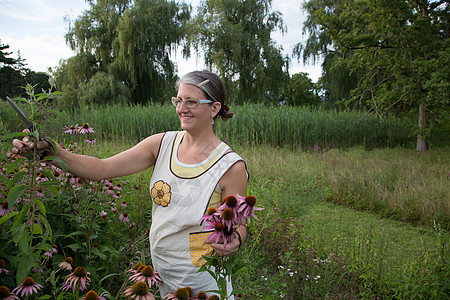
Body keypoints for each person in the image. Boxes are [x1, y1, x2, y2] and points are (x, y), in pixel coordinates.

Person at [11, 70, 248, 298]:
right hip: (161, 271)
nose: (181, 109)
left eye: (191, 102)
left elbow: (239, 225)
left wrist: (235, 239)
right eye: (178, 100)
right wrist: (52, 152)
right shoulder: (161, 144)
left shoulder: (229, 166)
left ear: (214, 108)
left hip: (201, 276)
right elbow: (102, 168)